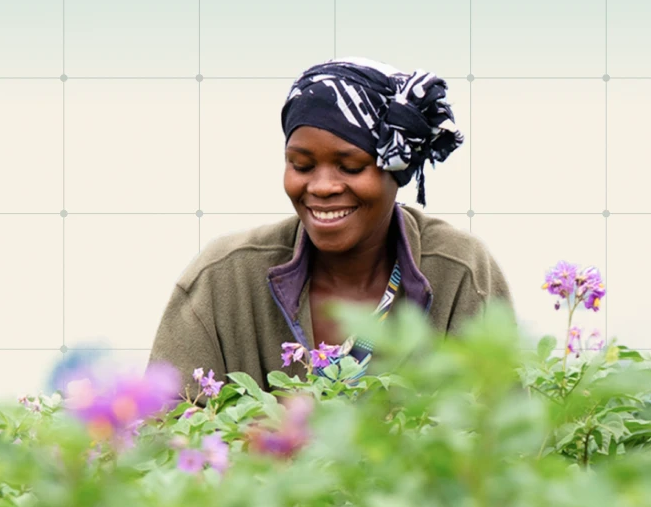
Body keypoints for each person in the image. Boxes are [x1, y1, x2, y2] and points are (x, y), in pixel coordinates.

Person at [147, 56, 513, 401]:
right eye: (301, 166)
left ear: (396, 171)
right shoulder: (223, 277)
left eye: (350, 167)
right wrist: (252, 437)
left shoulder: (459, 271)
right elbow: (160, 426)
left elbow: (502, 430)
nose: (322, 187)